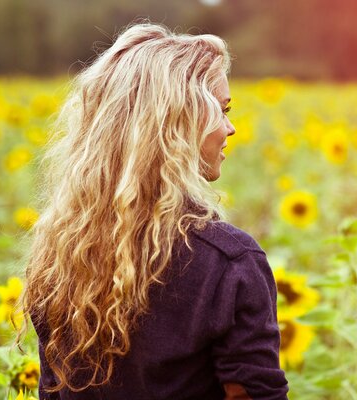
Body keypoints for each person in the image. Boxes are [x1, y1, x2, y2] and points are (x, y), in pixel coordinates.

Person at [20, 22, 289, 400]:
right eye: (222, 109)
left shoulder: (60, 252)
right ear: (175, 122)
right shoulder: (228, 262)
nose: (230, 128)